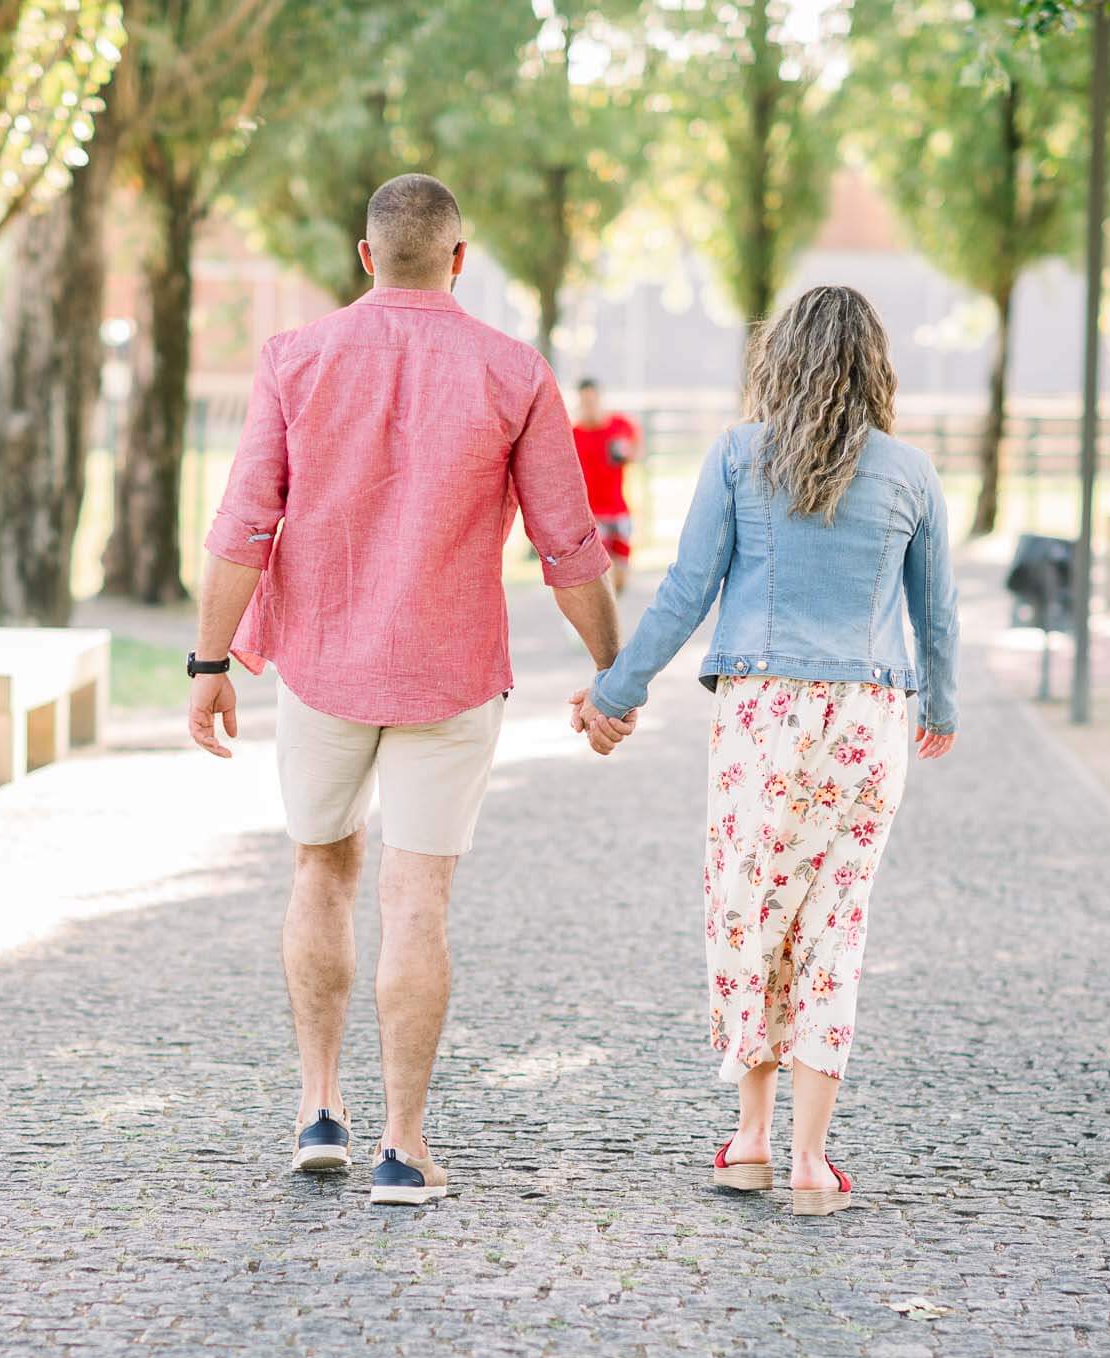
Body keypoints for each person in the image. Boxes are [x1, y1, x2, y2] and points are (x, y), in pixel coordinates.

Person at [187, 173, 623, 1207]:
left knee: (318, 871)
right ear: (460, 260)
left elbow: (243, 524)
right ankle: (403, 1146)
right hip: (448, 672)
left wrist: (208, 666)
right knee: (416, 896)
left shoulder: (294, 358)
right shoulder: (512, 371)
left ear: (365, 253)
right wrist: (614, 670)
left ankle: (316, 1110)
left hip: (323, 666)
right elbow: (568, 544)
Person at [571, 286, 960, 1216]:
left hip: (760, 720)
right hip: (866, 722)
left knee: (751, 914)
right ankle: (812, 1160)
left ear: (778, 356)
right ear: (876, 365)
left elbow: (686, 590)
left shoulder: (741, 456)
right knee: (836, 928)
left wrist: (611, 693)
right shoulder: (910, 473)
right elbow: (935, 614)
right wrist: (938, 706)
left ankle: (748, 1141)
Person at [571, 379, 642, 596]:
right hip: (592, 514)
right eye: (585, 401)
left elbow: (636, 449)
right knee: (599, 572)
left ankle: (611, 608)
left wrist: (628, 454)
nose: (590, 405)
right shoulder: (573, 434)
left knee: (621, 574)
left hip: (618, 509)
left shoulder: (618, 426)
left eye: (593, 400)